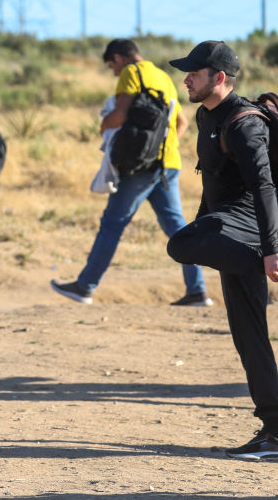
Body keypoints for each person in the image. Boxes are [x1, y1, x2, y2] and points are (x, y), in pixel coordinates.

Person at [166, 41, 278, 460]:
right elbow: (211, 180)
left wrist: (270, 250)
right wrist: (203, 227)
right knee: (248, 333)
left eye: (194, 72)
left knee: (180, 243)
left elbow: (264, 187)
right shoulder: (205, 114)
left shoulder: (243, 123)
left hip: (251, 226)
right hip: (229, 230)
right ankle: (274, 431)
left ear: (219, 78)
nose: (186, 78)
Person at [51, 38, 210, 306]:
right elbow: (181, 122)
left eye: (112, 67)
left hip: (141, 167)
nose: (114, 72)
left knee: (112, 224)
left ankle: (85, 286)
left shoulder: (131, 73)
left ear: (118, 58)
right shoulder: (163, 76)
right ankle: (197, 291)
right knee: (177, 227)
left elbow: (121, 114)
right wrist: (162, 147)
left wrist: (103, 127)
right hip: (167, 163)